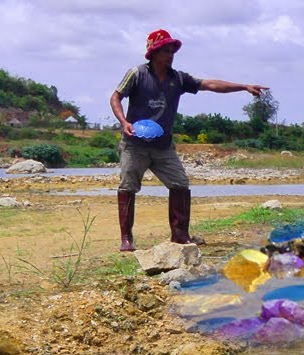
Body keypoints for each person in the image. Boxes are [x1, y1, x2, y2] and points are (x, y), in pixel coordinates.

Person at [110, 29, 267, 251]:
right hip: (135, 144)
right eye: (166, 50)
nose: (171, 54)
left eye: (173, 50)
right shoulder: (136, 74)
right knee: (128, 187)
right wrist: (124, 122)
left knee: (180, 184)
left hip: (163, 146)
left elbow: (210, 85)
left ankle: (180, 234)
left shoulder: (178, 79)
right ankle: (126, 239)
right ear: (154, 52)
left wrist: (243, 87)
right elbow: (115, 96)